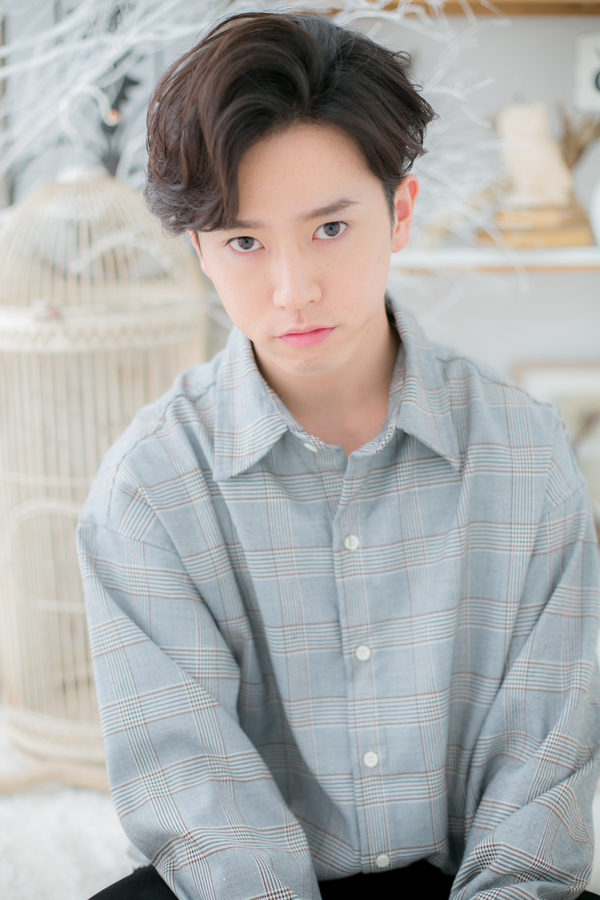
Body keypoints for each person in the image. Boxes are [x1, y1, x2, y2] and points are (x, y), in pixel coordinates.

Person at [77, 11, 600, 900]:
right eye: (245, 242)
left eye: (329, 229)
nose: (293, 290)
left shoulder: (524, 451)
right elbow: (200, 805)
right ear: (201, 252)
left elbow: (536, 791)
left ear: (400, 212)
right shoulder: (149, 487)